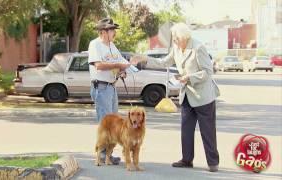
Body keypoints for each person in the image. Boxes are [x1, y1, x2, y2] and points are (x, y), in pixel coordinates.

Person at [130, 22, 220, 172]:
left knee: (208, 131)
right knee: (186, 130)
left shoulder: (198, 48)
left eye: (176, 38)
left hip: (203, 96)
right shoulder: (176, 48)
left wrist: (189, 77)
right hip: (187, 96)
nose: (174, 41)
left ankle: (213, 163)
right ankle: (186, 160)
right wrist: (143, 58)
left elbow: (207, 72)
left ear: (183, 37)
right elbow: (163, 62)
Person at [88, 17, 130, 165]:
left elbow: (121, 64)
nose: (114, 32)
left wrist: (122, 71)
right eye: (112, 29)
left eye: (114, 29)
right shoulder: (95, 45)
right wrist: (118, 65)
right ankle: (101, 155)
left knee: (114, 123)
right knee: (105, 124)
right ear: (103, 32)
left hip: (111, 87)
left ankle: (108, 155)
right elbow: (98, 65)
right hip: (101, 87)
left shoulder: (112, 45)